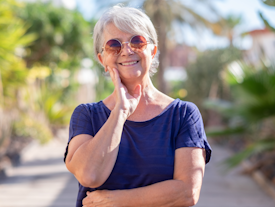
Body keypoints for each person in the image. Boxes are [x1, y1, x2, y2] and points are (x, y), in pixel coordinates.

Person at [64, 5, 212, 207]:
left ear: (153, 50)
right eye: (114, 45)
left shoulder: (184, 115)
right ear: (102, 59)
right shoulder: (87, 115)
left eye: (137, 41)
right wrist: (120, 112)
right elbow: (89, 175)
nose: (126, 50)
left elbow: (187, 192)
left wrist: (115, 201)